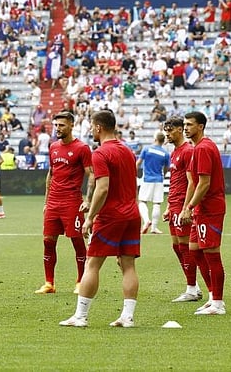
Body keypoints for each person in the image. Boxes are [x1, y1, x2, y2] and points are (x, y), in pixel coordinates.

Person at [60, 110, 140, 328]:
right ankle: (128, 317)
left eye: (91, 126)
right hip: (132, 214)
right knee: (128, 265)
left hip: (111, 215)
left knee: (92, 264)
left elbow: (102, 188)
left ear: (98, 127)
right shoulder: (128, 151)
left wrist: (90, 217)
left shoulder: (101, 153)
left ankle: (80, 316)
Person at [36, 112, 93, 295]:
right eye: (56, 125)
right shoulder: (53, 147)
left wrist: (88, 199)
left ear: (71, 125)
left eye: (61, 125)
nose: (58, 128)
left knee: (77, 241)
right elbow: (51, 174)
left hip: (71, 202)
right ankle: (49, 283)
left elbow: (90, 174)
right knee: (48, 241)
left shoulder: (82, 148)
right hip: (53, 202)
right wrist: (46, 201)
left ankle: (80, 282)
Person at [181, 111, 227, 315]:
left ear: (200, 126)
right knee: (194, 250)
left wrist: (189, 206)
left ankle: (218, 302)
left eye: (190, 124)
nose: (186, 128)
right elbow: (194, 182)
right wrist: (187, 207)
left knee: (212, 253)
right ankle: (211, 296)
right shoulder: (196, 148)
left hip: (211, 208)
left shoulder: (204, 148)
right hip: (201, 208)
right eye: (184, 124)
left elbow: (205, 183)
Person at [161, 117, 204, 303]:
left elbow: (192, 182)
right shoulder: (174, 152)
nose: (167, 134)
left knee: (186, 247)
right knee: (177, 246)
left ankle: (192, 289)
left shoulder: (188, 151)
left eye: (170, 131)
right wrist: (169, 206)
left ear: (179, 130)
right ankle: (193, 286)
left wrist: (186, 208)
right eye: (166, 131)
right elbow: (176, 181)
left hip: (182, 205)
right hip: (174, 205)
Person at [136, 131, 170, 234]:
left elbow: (138, 164)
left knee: (142, 201)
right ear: (163, 141)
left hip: (147, 179)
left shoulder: (147, 149)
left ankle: (146, 220)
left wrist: (135, 175)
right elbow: (166, 168)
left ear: (155, 139)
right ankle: (154, 228)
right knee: (157, 203)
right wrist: (162, 175)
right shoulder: (165, 153)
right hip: (159, 179)